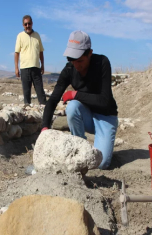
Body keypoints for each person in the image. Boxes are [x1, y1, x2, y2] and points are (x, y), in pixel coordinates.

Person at [41, 30, 118, 169]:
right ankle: (80, 147)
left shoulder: (102, 63)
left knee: (100, 165)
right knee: (72, 107)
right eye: (72, 60)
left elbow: (105, 100)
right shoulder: (70, 68)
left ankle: (104, 145)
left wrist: (75, 94)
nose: (76, 65)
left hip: (105, 117)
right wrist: (44, 127)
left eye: (80, 60)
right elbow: (53, 99)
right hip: (86, 115)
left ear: (90, 53)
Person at [14, 15, 47, 105]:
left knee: (40, 92)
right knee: (26, 93)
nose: (27, 26)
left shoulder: (37, 35)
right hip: (25, 68)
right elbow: (17, 53)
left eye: (29, 23)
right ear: (23, 25)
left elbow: (41, 51)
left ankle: (45, 114)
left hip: (36, 67)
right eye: (25, 24)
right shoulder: (20, 36)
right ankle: (27, 115)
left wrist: (43, 65)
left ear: (32, 24)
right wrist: (16, 68)